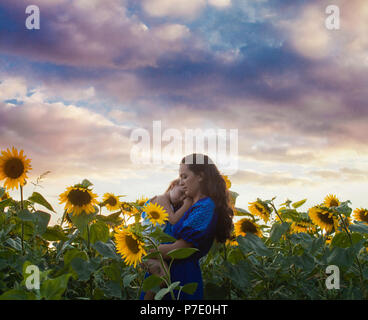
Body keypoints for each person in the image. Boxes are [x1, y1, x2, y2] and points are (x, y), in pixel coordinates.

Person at [140, 153, 234, 300]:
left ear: (200, 176)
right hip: (162, 276)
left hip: (180, 281)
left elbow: (179, 249)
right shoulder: (186, 203)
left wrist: (143, 251)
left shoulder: (205, 207)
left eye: (185, 176)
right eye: (180, 177)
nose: (181, 182)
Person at [141, 178, 194, 299]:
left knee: (162, 279)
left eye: (184, 198)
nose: (181, 199)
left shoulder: (171, 205)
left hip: (151, 248)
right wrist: (187, 204)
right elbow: (174, 220)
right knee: (163, 276)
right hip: (143, 248)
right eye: (181, 194)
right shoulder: (161, 198)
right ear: (173, 185)